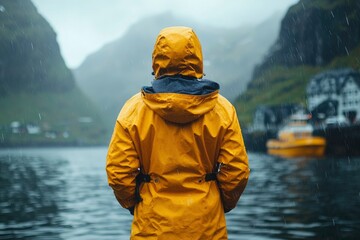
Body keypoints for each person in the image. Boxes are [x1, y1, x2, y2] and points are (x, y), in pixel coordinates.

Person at [106, 26, 250, 239]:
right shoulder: (223, 109)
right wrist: (219, 203)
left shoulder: (133, 110)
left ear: (157, 60)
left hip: (152, 228)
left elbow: (118, 173)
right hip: (206, 226)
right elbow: (237, 172)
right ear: (197, 59)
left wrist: (134, 204)